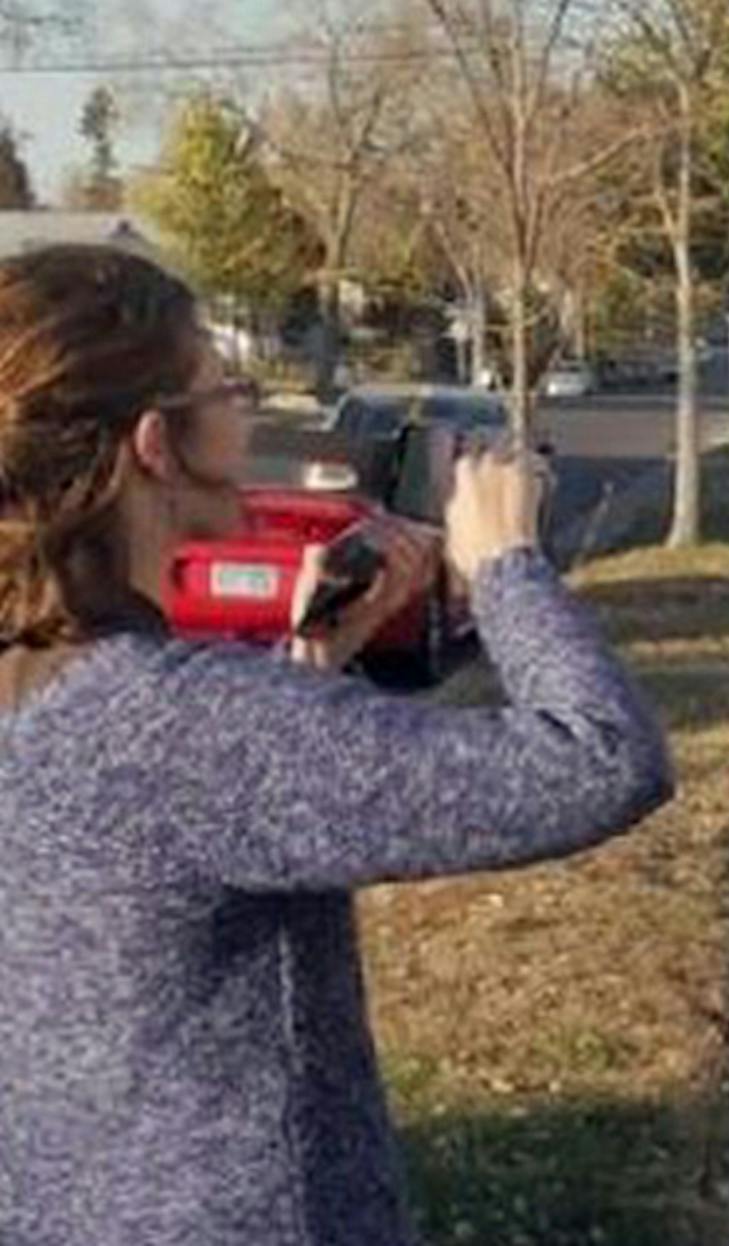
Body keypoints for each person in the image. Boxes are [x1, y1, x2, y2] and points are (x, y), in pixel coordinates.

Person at [0, 244, 675, 1245]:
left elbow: (165, 837)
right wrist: (508, 565)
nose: (246, 415)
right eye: (224, 388)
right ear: (155, 442)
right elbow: (598, 758)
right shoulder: (181, 721)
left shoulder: (65, 697)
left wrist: (316, 667)